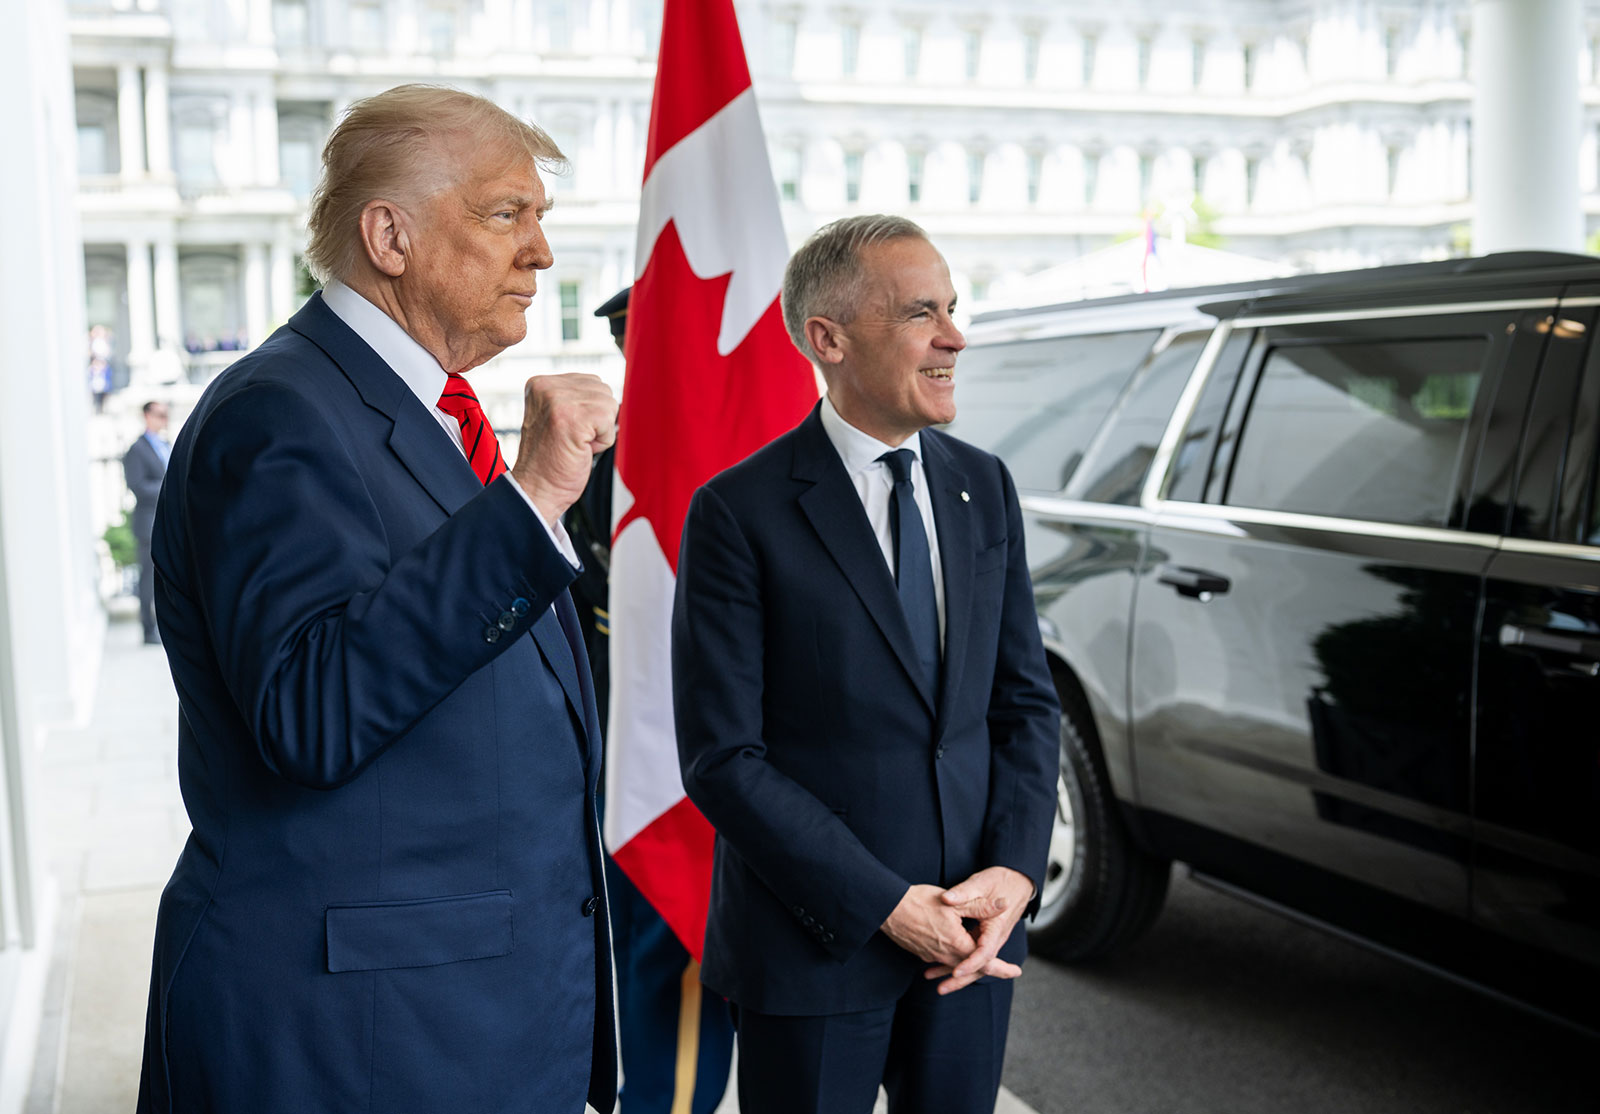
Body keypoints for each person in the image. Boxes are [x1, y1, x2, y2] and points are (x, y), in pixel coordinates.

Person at [135, 85, 619, 1114]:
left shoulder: (414, 402)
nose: (539, 252)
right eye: (505, 214)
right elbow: (311, 711)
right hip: (359, 1040)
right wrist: (531, 499)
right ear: (389, 236)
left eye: (541, 221)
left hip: (452, 1017)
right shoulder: (280, 411)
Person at [671, 214, 1060, 1114]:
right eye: (922, 313)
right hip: (814, 948)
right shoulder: (737, 511)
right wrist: (888, 905)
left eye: (954, 310)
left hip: (972, 942)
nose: (955, 338)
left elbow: (1023, 705)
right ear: (829, 338)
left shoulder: (983, 484)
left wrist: (1014, 871)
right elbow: (723, 759)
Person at [563, 287, 736, 1114]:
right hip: (636, 741)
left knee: (663, 952)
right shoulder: (626, 453)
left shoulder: (696, 450)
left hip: (664, 745)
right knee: (646, 946)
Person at [122, 400, 170, 645]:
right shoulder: (137, 450)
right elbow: (138, 487)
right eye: (160, 415)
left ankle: (163, 627)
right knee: (148, 579)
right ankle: (147, 630)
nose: (164, 420)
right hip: (147, 524)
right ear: (146, 416)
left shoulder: (164, 445)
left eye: (166, 415)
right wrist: (169, 487)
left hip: (165, 522)